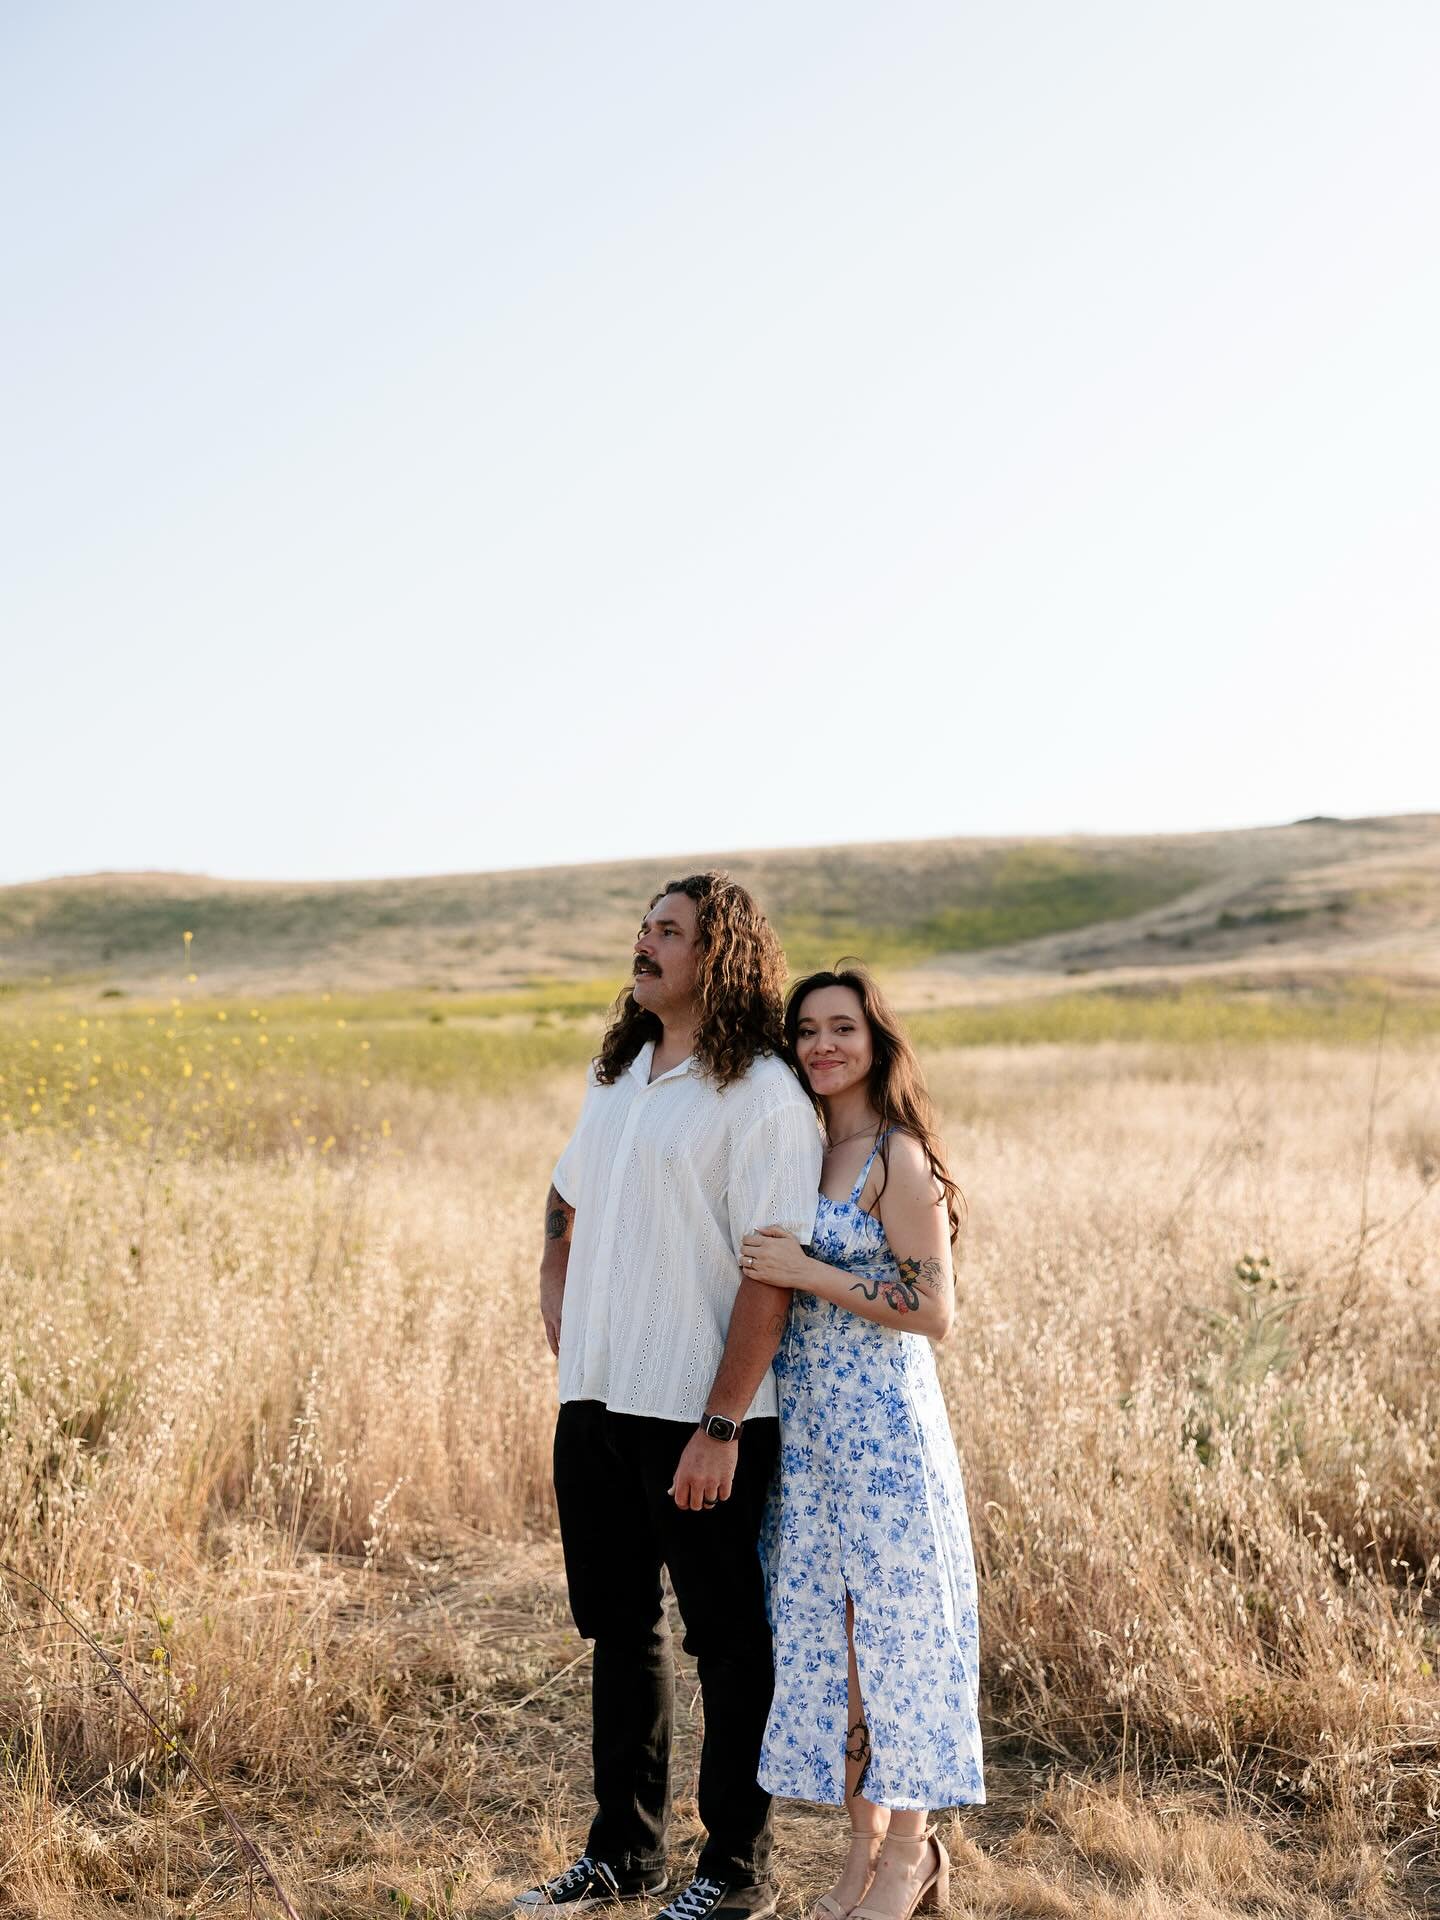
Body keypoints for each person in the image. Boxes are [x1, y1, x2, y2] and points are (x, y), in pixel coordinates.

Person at [517, 873, 823, 1920]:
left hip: (701, 1414)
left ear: (720, 955)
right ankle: (624, 1857)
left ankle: (737, 1871)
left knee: (729, 1644)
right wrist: (560, 1298)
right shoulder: (620, 1074)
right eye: (643, 927)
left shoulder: (765, 1096)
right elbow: (564, 1197)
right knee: (619, 1630)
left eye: (669, 931)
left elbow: (770, 1270)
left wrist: (722, 1423)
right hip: (595, 1400)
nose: (644, 944)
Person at [738, 963, 984, 1920]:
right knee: (837, 1650)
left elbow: (933, 1309)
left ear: (876, 1042)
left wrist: (808, 1269)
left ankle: (909, 1857)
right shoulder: (798, 1149)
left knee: (899, 1641)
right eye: (806, 1031)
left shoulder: (899, 1157)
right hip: (809, 1440)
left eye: (841, 1027)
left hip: (884, 1437)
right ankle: (859, 1852)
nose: (822, 1045)